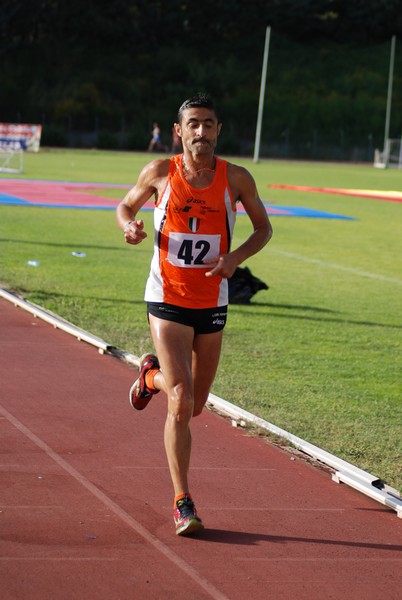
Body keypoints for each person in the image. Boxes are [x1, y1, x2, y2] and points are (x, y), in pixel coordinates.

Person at [116, 93, 273, 536]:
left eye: (209, 124)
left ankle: (149, 379)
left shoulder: (236, 179)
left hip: (212, 301)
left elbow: (264, 227)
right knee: (181, 401)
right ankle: (182, 501)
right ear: (178, 131)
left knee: (196, 405)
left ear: (218, 130)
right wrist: (128, 225)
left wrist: (235, 258)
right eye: (193, 124)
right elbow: (125, 205)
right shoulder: (159, 173)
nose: (201, 131)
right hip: (167, 297)